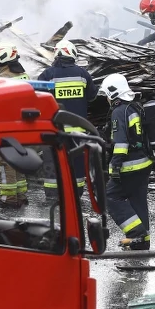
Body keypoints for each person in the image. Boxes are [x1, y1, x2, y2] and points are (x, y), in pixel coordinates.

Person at [37, 38, 98, 193]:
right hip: (78, 131)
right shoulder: (83, 74)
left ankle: (53, 193)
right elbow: (92, 96)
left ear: (57, 54)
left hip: (55, 129)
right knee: (77, 162)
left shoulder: (48, 74)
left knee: (53, 160)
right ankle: (76, 193)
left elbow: (38, 99)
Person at [102, 74, 152, 250]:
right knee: (137, 200)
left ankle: (135, 234)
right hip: (144, 163)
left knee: (111, 197)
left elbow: (121, 143)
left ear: (113, 93)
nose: (107, 99)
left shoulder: (118, 111)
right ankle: (143, 239)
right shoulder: (134, 107)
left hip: (129, 165)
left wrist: (115, 165)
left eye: (107, 95)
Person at [0, 43, 29, 207]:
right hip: (23, 126)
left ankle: (9, 199)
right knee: (19, 160)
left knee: (7, 162)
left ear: (2, 58)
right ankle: (21, 195)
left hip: (6, 127)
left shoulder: (2, 79)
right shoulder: (24, 76)